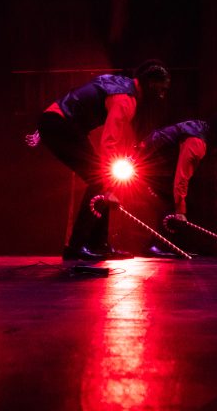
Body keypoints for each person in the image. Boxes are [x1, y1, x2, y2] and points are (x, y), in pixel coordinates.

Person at [25, 59, 171, 261]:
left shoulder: (121, 85)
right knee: (100, 181)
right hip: (59, 124)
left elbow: (78, 99)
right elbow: (109, 142)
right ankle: (77, 247)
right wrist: (109, 186)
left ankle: (98, 244)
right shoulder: (126, 98)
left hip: (60, 124)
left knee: (101, 181)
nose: (162, 95)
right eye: (161, 89)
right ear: (150, 82)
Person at [132, 113, 217, 257]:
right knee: (174, 206)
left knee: (177, 203)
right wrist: (180, 210)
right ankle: (157, 246)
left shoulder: (199, 127)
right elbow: (181, 177)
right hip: (148, 165)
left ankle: (167, 245)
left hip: (149, 160)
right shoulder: (196, 142)